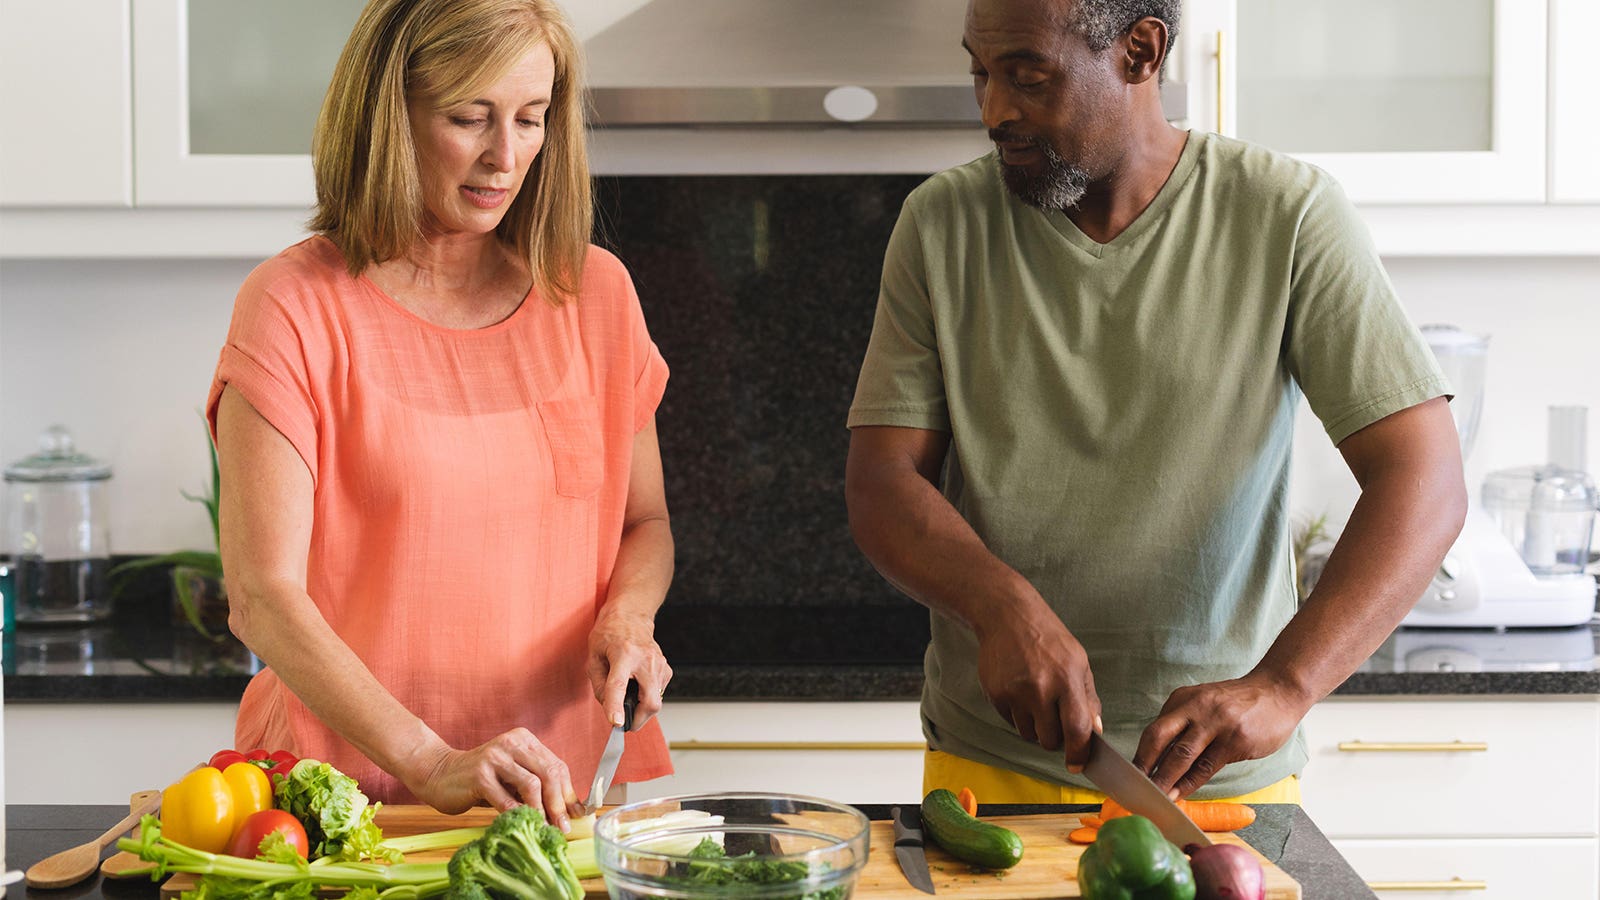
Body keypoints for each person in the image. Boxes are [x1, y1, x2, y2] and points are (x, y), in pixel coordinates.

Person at [844, 0, 1467, 805]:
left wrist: (1283, 684)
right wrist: (1000, 607)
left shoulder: (1289, 214)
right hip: (988, 771)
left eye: (1028, 77)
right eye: (979, 72)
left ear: (1140, 51)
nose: (996, 109)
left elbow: (1424, 475)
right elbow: (883, 482)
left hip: (1217, 780)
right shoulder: (940, 224)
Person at [207, 0, 674, 829]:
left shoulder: (596, 293)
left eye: (531, 120)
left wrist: (629, 619)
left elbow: (645, 523)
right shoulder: (294, 307)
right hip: (345, 805)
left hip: (561, 797)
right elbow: (261, 595)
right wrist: (432, 761)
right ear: (391, 115)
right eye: (469, 118)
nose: (506, 156)